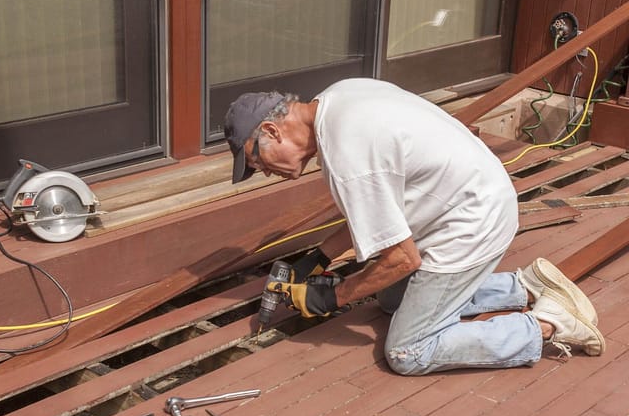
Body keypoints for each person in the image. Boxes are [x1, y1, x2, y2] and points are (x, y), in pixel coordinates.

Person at [223, 78, 604, 375]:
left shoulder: (347, 155)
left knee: (408, 351)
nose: (265, 173)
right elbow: (374, 209)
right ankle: (525, 285)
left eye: (258, 163)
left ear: (272, 132)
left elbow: (403, 259)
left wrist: (332, 297)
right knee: (390, 298)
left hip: (470, 224)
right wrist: (318, 258)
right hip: (473, 196)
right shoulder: (338, 98)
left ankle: (548, 326)